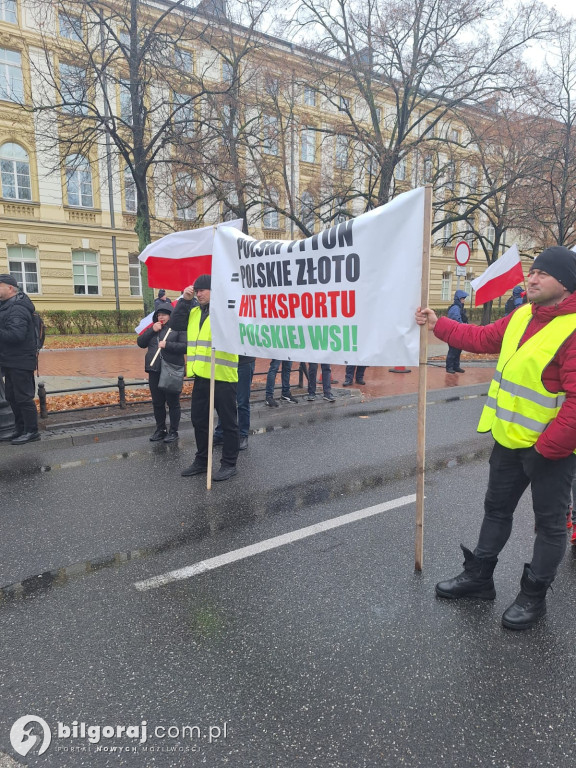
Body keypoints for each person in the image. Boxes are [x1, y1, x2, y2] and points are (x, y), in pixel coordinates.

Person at [415, 245, 576, 631]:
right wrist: (438, 324)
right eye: (531, 271)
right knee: (496, 510)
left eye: (542, 273)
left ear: (566, 284)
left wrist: (546, 449)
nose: (531, 278)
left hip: (549, 452)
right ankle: (479, 578)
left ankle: (533, 596)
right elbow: (482, 337)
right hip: (508, 441)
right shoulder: (522, 315)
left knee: (550, 525)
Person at [171, 274, 239, 482]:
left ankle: (229, 463)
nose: (198, 293)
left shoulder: (225, 311)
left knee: (228, 423)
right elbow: (175, 324)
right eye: (196, 290)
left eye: (202, 290)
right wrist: (184, 300)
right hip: (201, 376)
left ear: (214, 291)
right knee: (199, 420)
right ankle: (202, 460)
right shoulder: (193, 312)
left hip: (223, 377)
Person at [137, 303, 186, 443]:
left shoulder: (178, 328)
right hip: (155, 370)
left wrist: (167, 345)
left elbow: (185, 347)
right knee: (158, 403)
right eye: (159, 315)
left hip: (171, 369)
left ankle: (173, 431)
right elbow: (140, 342)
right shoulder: (154, 328)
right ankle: (161, 429)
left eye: (164, 314)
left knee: (173, 402)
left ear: (170, 315)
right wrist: (151, 330)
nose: (161, 317)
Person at [0, 274, 40, 445]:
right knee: (11, 396)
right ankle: (20, 428)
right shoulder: (7, 306)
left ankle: (32, 431)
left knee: (23, 397)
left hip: (21, 361)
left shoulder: (18, 308)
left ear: (10, 288)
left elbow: (16, 335)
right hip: (10, 360)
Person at [214, 354, 255, 450]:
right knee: (225, 400)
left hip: (244, 361)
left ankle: (243, 435)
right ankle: (221, 433)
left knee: (242, 401)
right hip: (227, 361)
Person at [445, 289, 468, 373]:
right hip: (454, 333)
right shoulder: (455, 308)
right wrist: (464, 326)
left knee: (458, 350)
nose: (464, 300)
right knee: (453, 350)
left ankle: (456, 366)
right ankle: (449, 367)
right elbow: (456, 319)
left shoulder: (459, 308)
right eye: (462, 299)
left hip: (458, 333)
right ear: (458, 299)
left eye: (464, 299)